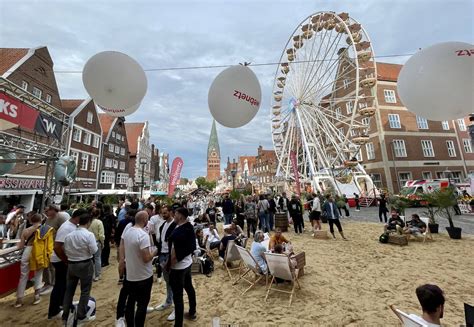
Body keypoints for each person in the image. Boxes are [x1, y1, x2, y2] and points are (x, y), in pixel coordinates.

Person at [120, 210, 157, 327]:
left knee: (130, 303)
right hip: (144, 276)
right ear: (145, 220)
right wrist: (155, 252)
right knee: (142, 305)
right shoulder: (142, 235)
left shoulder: (127, 232)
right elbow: (146, 258)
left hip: (131, 275)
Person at [47, 208, 84, 320]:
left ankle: (62, 305)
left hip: (63, 259)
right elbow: (57, 246)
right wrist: (66, 260)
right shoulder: (67, 227)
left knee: (64, 285)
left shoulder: (71, 225)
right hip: (60, 260)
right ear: (78, 217)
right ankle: (54, 311)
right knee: (60, 285)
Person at [62, 211, 97, 325]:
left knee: (69, 290)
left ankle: (65, 314)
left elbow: (65, 249)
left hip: (72, 264)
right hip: (85, 263)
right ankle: (81, 314)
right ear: (88, 222)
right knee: (85, 290)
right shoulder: (89, 235)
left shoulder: (69, 235)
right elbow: (94, 250)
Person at [168, 207, 197, 326]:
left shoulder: (179, 232)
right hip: (187, 263)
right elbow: (191, 246)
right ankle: (192, 312)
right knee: (189, 288)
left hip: (178, 267)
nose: (173, 215)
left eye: (175, 214)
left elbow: (174, 253)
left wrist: (170, 265)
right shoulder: (189, 227)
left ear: (180, 215)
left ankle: (178, 324)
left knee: (178, 296)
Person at [15, 213, 48, 307]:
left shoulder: (26, 230)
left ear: (31, 221)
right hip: (39, 252)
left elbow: (21, 246)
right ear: (41, 220)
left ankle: (19, 299)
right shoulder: (44, 229)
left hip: (27, 251)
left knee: (23, 276)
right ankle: (36, 296)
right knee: (38, 274)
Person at [154, 205, 176, 321]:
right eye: (162, 212)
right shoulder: (163, 225)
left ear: (171, 213)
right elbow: (161, 241)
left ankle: (175, 307)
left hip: (170, 255)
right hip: (162, 254)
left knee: (174, 282)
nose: (163, 214)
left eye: (166, 212)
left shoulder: (174, 225)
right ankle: (168, 301)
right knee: (167, 280)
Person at [88, 207, 105, 281]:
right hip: (97, 241)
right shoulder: (99, 222)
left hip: (88, 242)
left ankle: (91, 274)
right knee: (97, 258)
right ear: (98, 215)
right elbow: (101, 235)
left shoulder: (88, 221)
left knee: (90, 259)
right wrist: (102, 242)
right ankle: (97, 275)